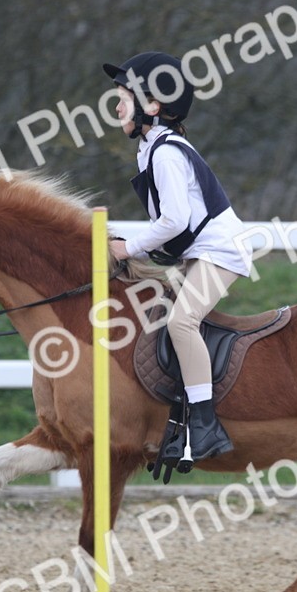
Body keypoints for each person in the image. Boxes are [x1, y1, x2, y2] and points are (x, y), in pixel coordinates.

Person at [104, 51, 252, 465]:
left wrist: (128, 248)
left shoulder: (166, 153)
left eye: (124, 97)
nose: (117, 106)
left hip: (220, 252)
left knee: (181, 321)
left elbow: (173, 221)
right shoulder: (153, 148)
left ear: (153, 106)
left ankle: (205, 424)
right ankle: (177, 420)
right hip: (200, 253)